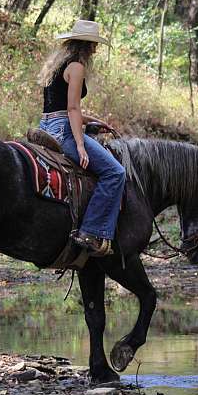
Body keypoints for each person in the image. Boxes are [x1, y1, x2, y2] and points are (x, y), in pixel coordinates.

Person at [38, 20, 126, 256]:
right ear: (88, 46)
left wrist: (93, 121)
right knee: (115, 173)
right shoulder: (76, 67)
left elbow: (58, 107)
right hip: (63, 131)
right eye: (94, 45)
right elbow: (72, 109)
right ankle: (91, 231)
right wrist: (80, 145)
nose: (95, 50)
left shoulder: (57, 65)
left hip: (46, 126)